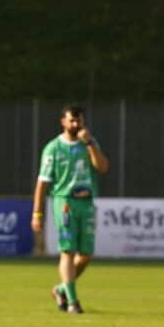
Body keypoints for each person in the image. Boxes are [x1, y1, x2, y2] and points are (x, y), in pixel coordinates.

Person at [31, 105, 110, 315]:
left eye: (79, 121)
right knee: (68, 251)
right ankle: (73, 302)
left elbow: (102, 168)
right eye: (72, 121)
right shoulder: (53, 148)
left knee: (86, 255)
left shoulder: (89, 143)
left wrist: (91, 143)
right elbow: (42, 184)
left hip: (87, 203)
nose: (76, 125)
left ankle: (60, 289)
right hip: (64, 201)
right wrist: (37, 213)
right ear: (63, 122)